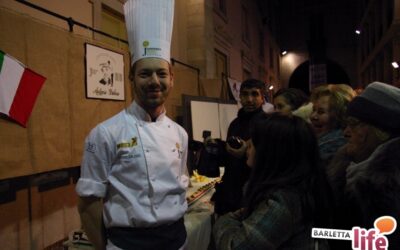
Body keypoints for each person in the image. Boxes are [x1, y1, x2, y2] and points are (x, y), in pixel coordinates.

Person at [76, 1, 189, 249]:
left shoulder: (180, 133)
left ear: (172, 79)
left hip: (177, 240)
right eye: (144, 73)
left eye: (161, 73)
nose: (154, 81)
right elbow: (88, 204)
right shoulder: (105, 133)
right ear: (131, 78)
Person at [213, 113, 331, 249]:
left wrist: (224, 221)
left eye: (255, 141)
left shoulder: (282, 202)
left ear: (272, 151)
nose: (248, 145)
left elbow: (234, 245)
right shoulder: (298, 186)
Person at [327, 81, 400, 249]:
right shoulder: (349, 170)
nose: (345, 132)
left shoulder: (389, 188)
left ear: (380, 130)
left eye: (354, 124)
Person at [211, 78, 265, 215]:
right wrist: (217, 148)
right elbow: (229, 157)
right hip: (231, 190)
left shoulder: (267, 124)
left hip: (253, 192)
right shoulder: (234, 124)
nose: (249, 99)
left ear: (262, 97)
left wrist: (246, 153)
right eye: (245, 94)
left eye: (254, 94)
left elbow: (268, 162)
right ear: (239, 97)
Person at [310, 84, 356, 166]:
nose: (313, 116)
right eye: (313, 110)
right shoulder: (319, 141)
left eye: (321, 112)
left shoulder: (333, 147)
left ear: (339, 115)